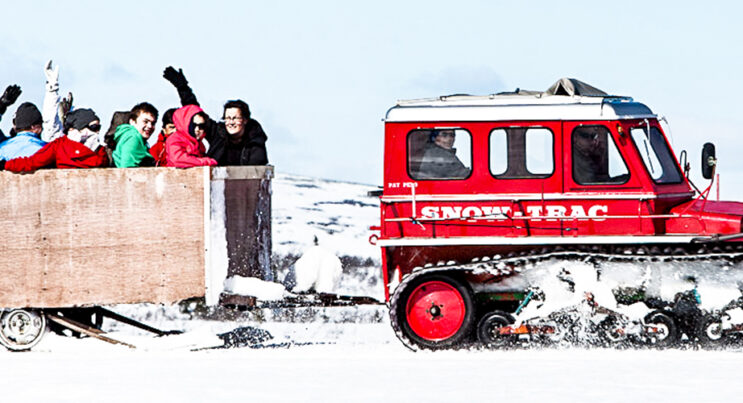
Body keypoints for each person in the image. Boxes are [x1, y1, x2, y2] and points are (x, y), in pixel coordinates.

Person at [163, 66, 268, 166]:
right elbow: (195, 114)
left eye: (235, 118)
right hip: (214, 182)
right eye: (227, 118)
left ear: (245, 120)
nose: (231, 122)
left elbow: (256, 171)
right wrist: (182, 87)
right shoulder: (219, 134)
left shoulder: (255, 141)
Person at [0, 108, 108, 172]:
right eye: (94, 128)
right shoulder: (100, 152)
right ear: (79, 127)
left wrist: (5, 165)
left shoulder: (59, 146)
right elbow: (32, 162)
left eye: (98, 128)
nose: (97, 132)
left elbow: (32, 162)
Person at [112, 102, 159, 167]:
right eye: (145, 122)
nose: (150, 126)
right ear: (132, 122)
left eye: (153, 123)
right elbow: (128, 168)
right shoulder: (133, 137)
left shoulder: (130, 137)